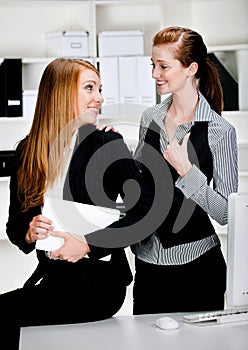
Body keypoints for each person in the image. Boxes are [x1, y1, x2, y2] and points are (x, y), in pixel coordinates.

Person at [2, 58, 151, 349]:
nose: (100, 97)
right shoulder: (27, 150)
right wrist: (29, 230)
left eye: (100, 89)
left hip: (99, 285)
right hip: (54, 280)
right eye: (90, 88)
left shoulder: (107, 145)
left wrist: (87, 244)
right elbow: (15, 226)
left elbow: (144, 213)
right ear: (61, 94)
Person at [131, 26, 238, 314]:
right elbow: (142, 191)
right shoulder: (149, 118)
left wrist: (187, 170)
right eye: (153, 65)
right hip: (148, 265)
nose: (155, 74)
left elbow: (227, 213)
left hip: (198, 270)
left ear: (191, 68)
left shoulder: (220, 131)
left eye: (164, 66)